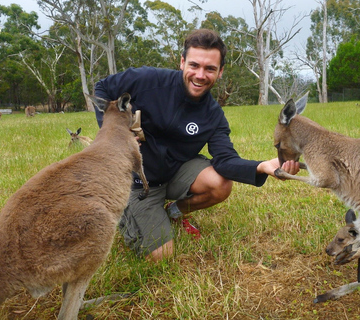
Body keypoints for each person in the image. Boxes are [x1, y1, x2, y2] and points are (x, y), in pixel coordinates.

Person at [94, 28, 299, 262]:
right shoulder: (147, 80)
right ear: (182, 62)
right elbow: (103, 88)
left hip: (173, 172)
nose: (200, 75)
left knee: (220, 184)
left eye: (210, 68)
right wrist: (113, 133)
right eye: (194, 65)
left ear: (220, 72)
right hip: (137, 182)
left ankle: (173, 212)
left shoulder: (213, 115)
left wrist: (262, 166)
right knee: (162, 257)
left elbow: (225, 160)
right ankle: (127, 212)